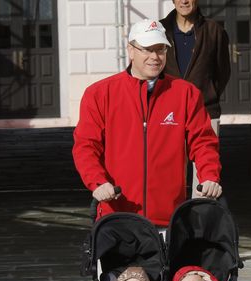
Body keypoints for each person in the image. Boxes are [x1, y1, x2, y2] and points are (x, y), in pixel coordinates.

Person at [73, 19, 222, 228]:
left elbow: (203, 142)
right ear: (131, 50)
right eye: (147, 49)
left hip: (170, 217)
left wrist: (209, 176)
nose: (155, 57)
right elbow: (86, 146)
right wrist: (97, 182)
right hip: (116, 214)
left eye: (160, 49)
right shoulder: (99, 94)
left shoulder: (185, 94)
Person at [160, 0, 231, 196]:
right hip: (168, 114)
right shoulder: (160, 30)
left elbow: (222, 71)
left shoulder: (213, 30)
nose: (184, 1)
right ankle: (173, 222)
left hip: (206, 111)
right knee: (169, 176)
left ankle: (200, 223)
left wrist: (207, 96)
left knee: (206, 180)